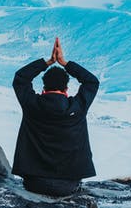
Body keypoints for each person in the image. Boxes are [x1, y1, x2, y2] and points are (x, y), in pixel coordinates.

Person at [11, 37, 99, 197]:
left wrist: (48, 62)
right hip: (68, 186)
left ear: (44, 87)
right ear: (66, 88)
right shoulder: (77, 108)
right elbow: (91, 82)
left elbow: (21, 78)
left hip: (34, 184)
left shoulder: (31, 105)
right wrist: (65, 63)